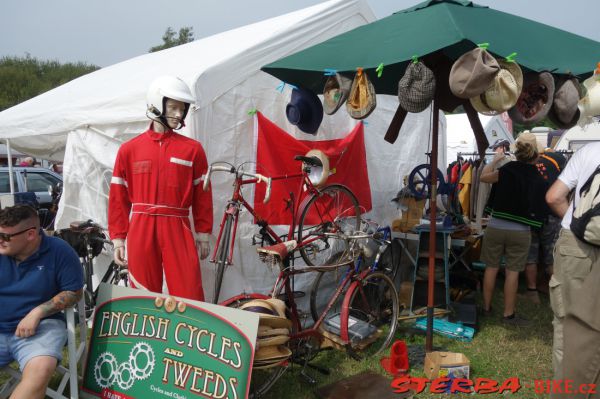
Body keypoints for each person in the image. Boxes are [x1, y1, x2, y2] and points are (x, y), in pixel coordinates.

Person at [108, 75, 213, 302]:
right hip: (141, 224)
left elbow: (203, 196)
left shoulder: (193, 150)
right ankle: (146, 337)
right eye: (173, 107)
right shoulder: (129, 150)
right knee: (142, 289)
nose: (178, 114)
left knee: (189, 289)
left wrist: (203, 234)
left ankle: (189, 333)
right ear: (156, 104)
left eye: (182, 109)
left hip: (178, 224)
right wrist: (118, 238)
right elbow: (118, 198)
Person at [0, 205, 83, 399]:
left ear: (30, 234)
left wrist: (37, 312)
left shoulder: (59, 251)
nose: (0, 240)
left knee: (41, 370)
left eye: (5, 236)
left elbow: (74, 292)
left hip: (42, 328)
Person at [545, 141, 600, 395]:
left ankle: (566, 390)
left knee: (567, 325)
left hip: (574, 248)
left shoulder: (588, 151)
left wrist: (578, 224)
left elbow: (554, 197)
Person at [479, 132, 548, 326]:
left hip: (495, 227)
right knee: (512, 272)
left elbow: (483, 178)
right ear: (535, 154)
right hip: (520, 231)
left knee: (491, 268)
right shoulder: (538, 177)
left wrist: (495, 161)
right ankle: (508, 315)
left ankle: (486, 308)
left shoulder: (506, 169)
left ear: (516, 153)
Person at [524, 149, 566, 303]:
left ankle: (532, 292)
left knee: (531, 256)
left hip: (530, 216)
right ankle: (558, 295)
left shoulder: (526, 162)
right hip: (551, 215)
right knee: (551, 258)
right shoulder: (557, 160)